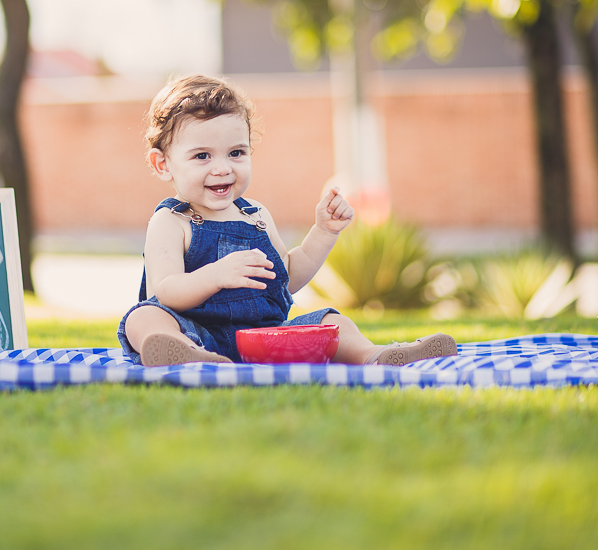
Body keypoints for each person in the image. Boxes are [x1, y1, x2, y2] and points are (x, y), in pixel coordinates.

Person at [117, 74, 457, 367]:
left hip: (264, 339)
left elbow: (285, 278)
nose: (222, 167)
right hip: (194, 331)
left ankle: (374, 355)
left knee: (331, 321)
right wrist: (217, 274)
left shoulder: (256, 216)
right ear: (163, 164)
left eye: (236, 153)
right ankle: (187, 354)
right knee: (143, 317)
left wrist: (323, 232)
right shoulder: (171, 221)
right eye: (202, 156)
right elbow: (168, 290)